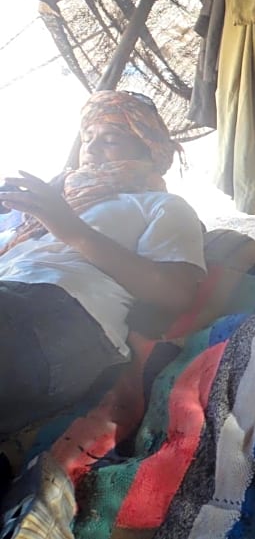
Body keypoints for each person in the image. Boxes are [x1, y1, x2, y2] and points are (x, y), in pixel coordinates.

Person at [0, 91, 206, 437]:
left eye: (110, 140)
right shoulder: (42, 211)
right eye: (88, 139)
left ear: (148, 150)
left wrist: (71, 229)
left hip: (63, 318)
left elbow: (177, 292)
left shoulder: (161, 205)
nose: (92, 149)